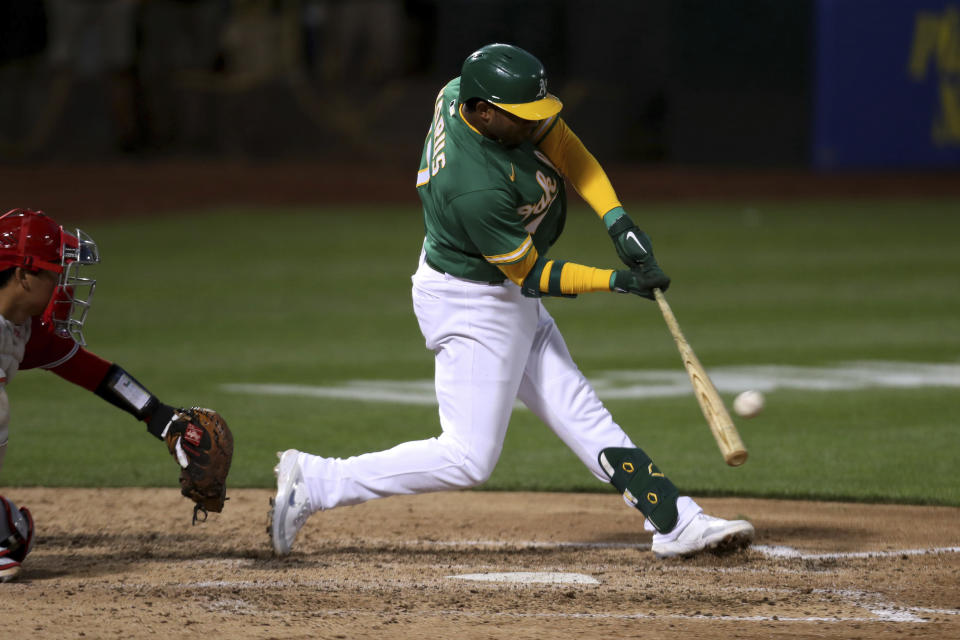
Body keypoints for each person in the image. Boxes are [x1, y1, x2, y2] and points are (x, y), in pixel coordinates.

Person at [268, 43, 755, 559]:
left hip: (497, 294)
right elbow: (530, 274)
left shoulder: (466, 93)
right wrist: (617, 281)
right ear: (483, 113)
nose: (533, 126)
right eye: (521, 118)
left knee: (580, 413)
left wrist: (617, 221)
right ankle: (316, 480)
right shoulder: (472, 184)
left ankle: (675, 520)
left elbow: (565, 146)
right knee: (467, 458)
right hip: (473, 305)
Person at [0, 208, 220, 582]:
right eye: (54, 271)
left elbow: (95, 374)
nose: (62, 283)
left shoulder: (23, 328)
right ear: (23, 275)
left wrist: (160, 417)